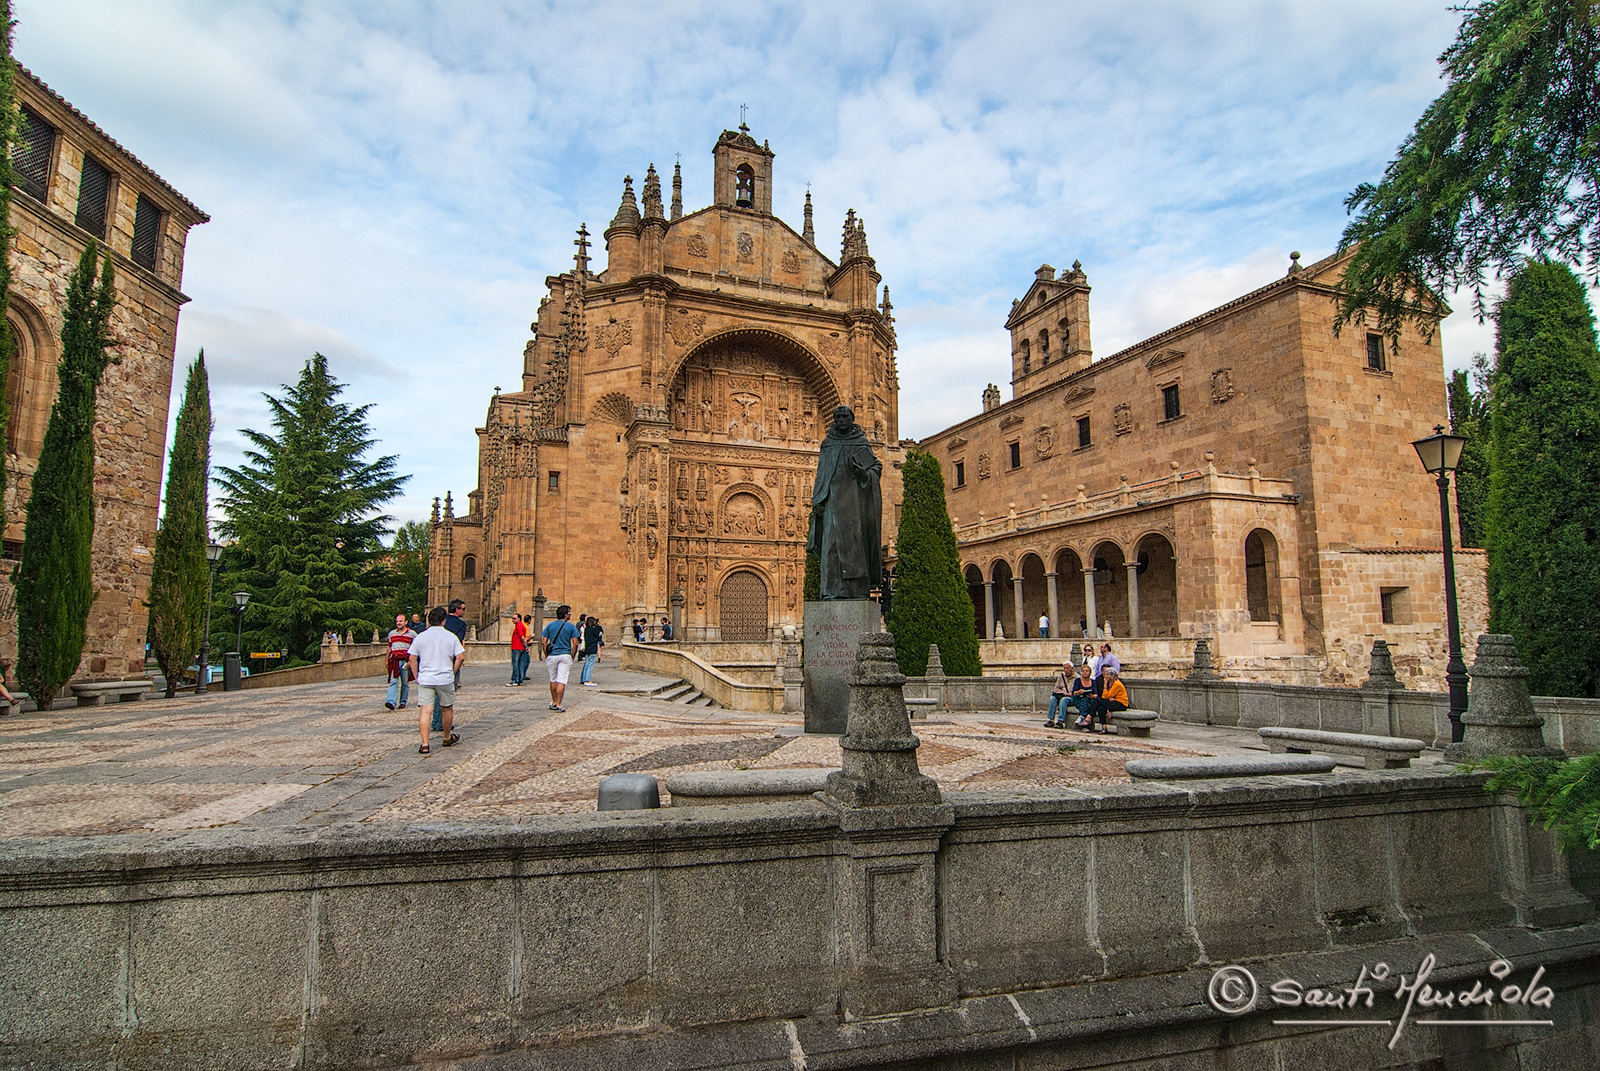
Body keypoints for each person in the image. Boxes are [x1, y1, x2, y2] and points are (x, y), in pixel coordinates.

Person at [807, 405, 883, 600]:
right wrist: (819, 501)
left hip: (854, 503)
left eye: (845, 416)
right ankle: (830, 591)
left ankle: (857, 591)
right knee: (830, 547)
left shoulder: (861, 442)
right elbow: (821, 474)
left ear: (852, 418)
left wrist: (863, 474)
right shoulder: (827, 443)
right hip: (832, 500)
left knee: (856, 548)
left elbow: (876, 467)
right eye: (838, 416)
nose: (841, 420)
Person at [408, 606, 465, 754]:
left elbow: (412, 658)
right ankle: (446, 737)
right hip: (445, 677)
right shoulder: (450, 636)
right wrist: (453, 672)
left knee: (425, 711)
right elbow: (460, 657)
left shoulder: (421, 637)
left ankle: (425, 744)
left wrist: (416, 676)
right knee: (446, 708)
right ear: (444, 621)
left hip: (426, 678)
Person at [541, 604, 581, 712]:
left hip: (552, 655)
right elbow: (575, 643)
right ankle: (559, 704)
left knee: (553, 679)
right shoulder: (571, 626)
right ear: (565, 614)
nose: (570, 615)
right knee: (561, 680)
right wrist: (572, 655)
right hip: (565, 655)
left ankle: (554, 702)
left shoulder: (550, 626)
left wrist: (546, 654)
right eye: (569, 613)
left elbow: (544, 642)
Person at [383, 613, 415, 711]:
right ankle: (391, 701)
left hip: (405, 660)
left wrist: (411, 660)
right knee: (393, 681)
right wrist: (386, 659)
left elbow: (415, 648)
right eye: (397, 621)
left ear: (406, 622)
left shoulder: (412, 634)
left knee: (405, 682)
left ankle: (403, 701)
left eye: (400, 621)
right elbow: (389, 647)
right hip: (395, 660)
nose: (398, 623)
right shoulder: (392, 634)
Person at [1084, 667, 1129, 734]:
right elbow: (1105, 696)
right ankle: (1104, 727)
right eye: (1105, 674)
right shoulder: (1110, 683)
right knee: (1100, 707)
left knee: (1098, 699)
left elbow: (1106, 696)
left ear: (1113, 676)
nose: (1105, 676)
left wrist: (1105, 686)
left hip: (1121, 704)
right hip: (1112, 701)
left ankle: (1089, 716)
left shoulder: (1117, 684)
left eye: (1107, 675)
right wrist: (1108, 697)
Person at [1069, 664, 1101, 728]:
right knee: (1085, 702)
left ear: (1090, 672)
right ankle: (1085, 720)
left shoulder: (1093, 681)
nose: (1085, 672)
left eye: (1087, 671)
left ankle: (1082, 717)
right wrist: (1079, 692)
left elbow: (1096, 694)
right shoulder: (1077, 681)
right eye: (1083, 671)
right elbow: (1074, 692)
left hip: (1090, 699)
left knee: (1087, 701)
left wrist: (1092, 696)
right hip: (1080, 698)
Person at [1045, 660, 1073, 728]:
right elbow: (1056, 687)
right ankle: (1051, 720)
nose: (1066, 670)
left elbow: (1076, 692)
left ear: (1072, 668)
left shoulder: (1077, 678)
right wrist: (1058, 690)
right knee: (1052, 698)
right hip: (1061, 694)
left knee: (1064, 700)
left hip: (1070, 696)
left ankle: (1060, 721)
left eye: (1067, 668)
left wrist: (1068, 694)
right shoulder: (1061, 676)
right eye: (1065, 668)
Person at [579, 615, 604, 686]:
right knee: (590, 665)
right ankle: (587, 680)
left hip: (587, 648)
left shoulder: (586, 629)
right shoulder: (594, 629)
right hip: (593, 648)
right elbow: (598, 637)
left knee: (586, 664)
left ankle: (583, 679)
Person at [509, 613, 530, 687]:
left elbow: (522, 637)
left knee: (515, 664)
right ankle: (520, 680)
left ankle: (515, 680)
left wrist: (525, 646)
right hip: (520, 647)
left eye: (514, 618)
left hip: (517, 647)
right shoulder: (522, 626)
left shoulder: (519, 626)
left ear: (519, 619)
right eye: (512, 618)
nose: (513, 620)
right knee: (520, 665)